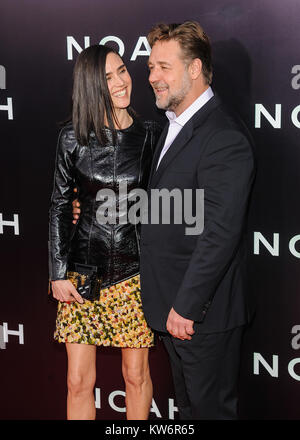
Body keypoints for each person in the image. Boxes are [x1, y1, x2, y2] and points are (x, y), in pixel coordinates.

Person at [139, 21, 256, 419]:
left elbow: (220, 233)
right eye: (151, 67)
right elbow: (169, 210)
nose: (152, 77)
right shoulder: (172, 127)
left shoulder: (223, 135)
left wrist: (186, 307)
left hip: (201, 315)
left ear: (194, 69)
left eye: (163, 67)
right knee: (189, 411)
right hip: (174, 311)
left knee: (210, 412)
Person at [49, 44, 161, 420]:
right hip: (83, 273)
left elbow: (165, 203)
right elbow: (61, 205)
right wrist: (58, 272)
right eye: (108, 77)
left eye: (123, 71)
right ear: (90, 85)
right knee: (78, 381)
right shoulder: (71, 137)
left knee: (135, 376)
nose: (120, 82)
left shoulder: (150, 135)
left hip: (135, 273)